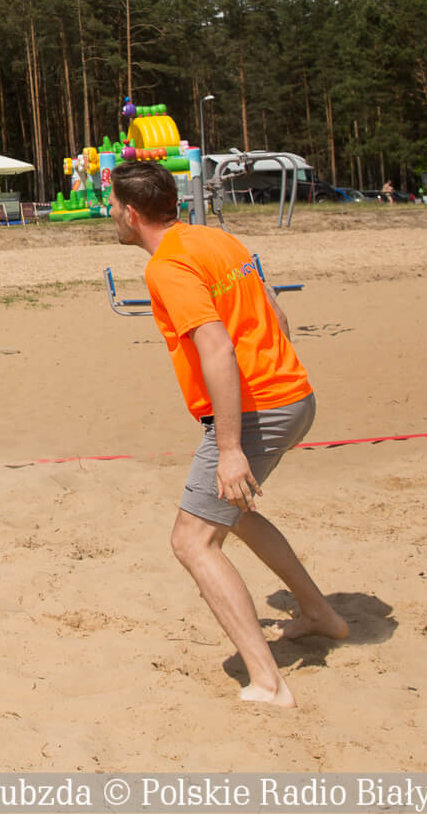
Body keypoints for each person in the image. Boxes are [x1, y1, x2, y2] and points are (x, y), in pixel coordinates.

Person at [109, 160, 349, 705]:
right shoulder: (217, 239)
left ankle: (268, 682)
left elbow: (216, 347)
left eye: (114, 207)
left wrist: (231, 447)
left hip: (259, 409)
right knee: (235, 513)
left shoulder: (167, 267)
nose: (112, 216)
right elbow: (277, 316)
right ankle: (320, 614)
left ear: (132, 213)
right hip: (294, 396)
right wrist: (275, 381)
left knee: (193, 541)